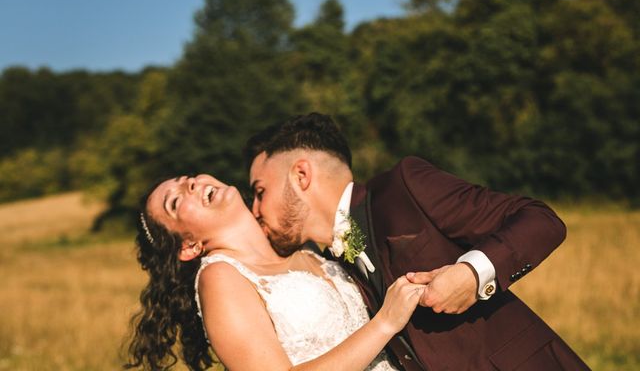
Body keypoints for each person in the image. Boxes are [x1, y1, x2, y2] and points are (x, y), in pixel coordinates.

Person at [244, 112, 591, 371]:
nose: (255, 210)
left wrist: (472, 275)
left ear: (301, 175)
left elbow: (540, 221)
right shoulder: (326, 268)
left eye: (260, 192)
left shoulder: (403, 187)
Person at [126, 173, 427, 371]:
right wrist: (385, 323)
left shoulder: (307, 250)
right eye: (176, 202)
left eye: (188, 179)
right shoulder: (220, 277)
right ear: (188, 246)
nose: (190, 185)